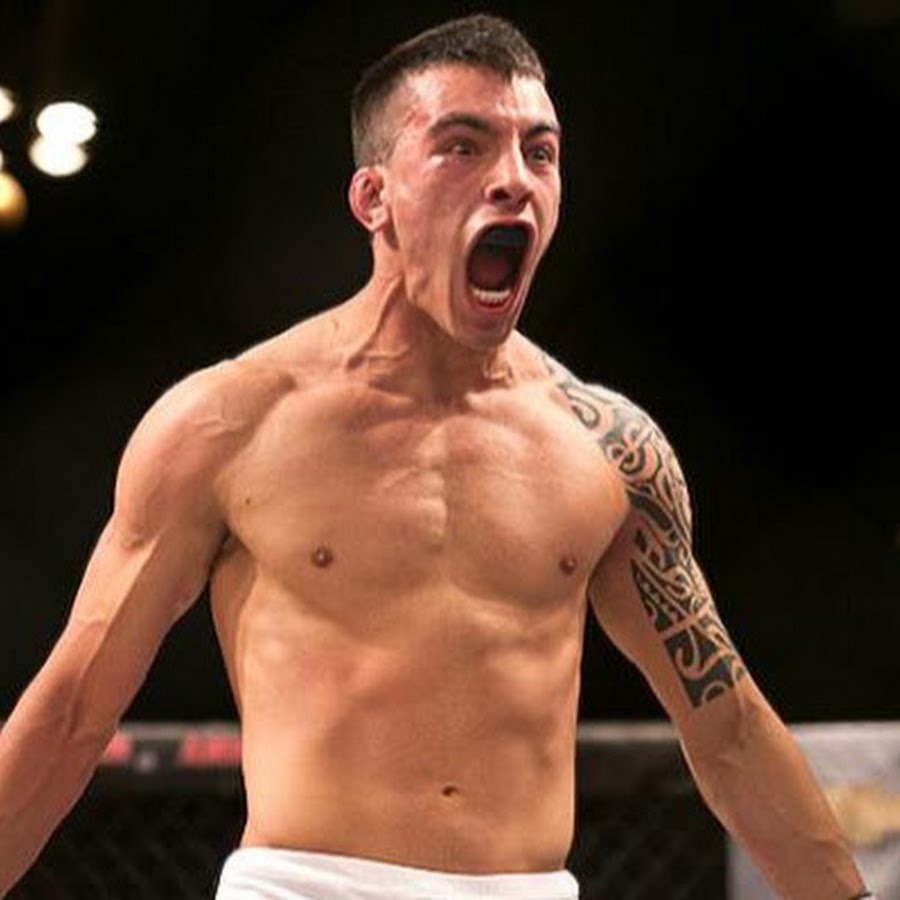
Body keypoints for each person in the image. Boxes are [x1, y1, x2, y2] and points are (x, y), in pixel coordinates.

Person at [0, 13, 872, 900]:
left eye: (540, 152)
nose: (513, 179)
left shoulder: (610, 451)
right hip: (305, 886)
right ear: (373, 197)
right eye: (464, 146)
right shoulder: (229, 424)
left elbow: (728, 733)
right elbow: (74, 712)